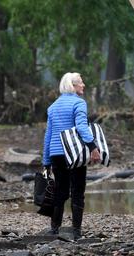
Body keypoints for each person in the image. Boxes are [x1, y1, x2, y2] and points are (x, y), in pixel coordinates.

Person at [42, 72, 101, 240]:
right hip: (74, 153)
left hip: (56, 154)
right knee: (77, 191)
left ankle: (54, 229)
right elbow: (82, 127)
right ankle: (76, 231)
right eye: (81, 83)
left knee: (60, 191)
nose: (83, 85)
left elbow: (48, 135)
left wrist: (46, 161)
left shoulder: (53, 106)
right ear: (73, 86)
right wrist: (93, 147)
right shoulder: (78, 103)